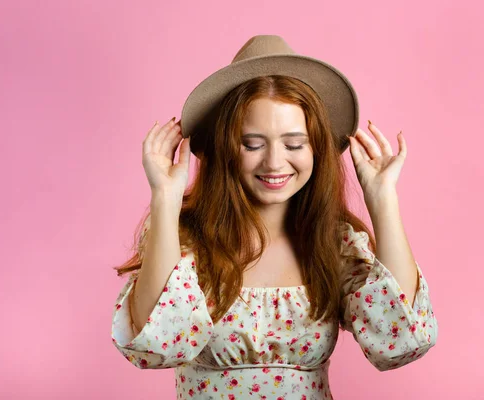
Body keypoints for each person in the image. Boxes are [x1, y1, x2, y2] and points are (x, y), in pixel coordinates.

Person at [111, 35, 438, 399]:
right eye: (252, 144)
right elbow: (159, 346)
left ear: (316, 146)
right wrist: (164, 198)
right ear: (224, 147)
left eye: (294, 144)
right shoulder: (186, 241)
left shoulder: (334, 243)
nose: (274, 162)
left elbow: (400, 340)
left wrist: (382, 199)